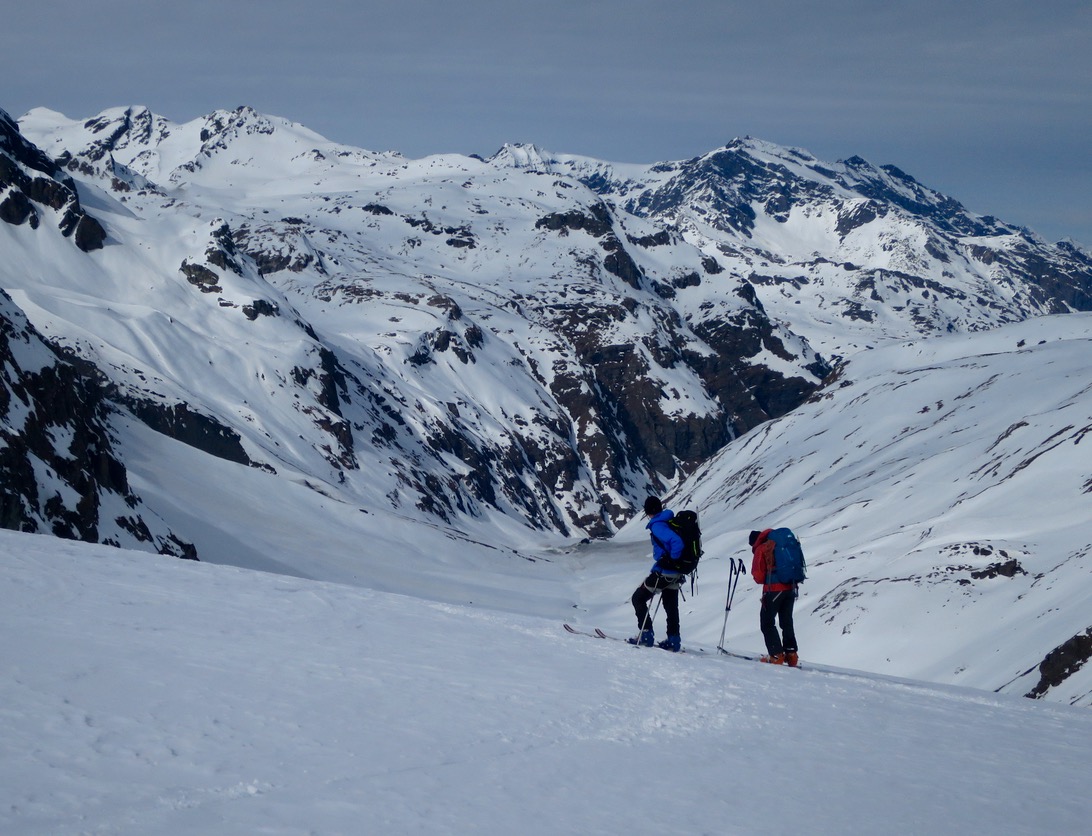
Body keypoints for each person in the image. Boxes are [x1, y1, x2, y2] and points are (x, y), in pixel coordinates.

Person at [628, 496, 685, 651]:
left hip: (665, 571)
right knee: (671, 605)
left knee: (638, 598)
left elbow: (676, 542)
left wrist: (671, 560)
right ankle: (674, 640)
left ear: (648, 511)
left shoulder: (658, 525)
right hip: (676, 572)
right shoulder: (668, 520)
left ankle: (646, 634)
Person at [749, 529, 799, 666]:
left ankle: (776, 655)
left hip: (774, 589)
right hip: (791, 587)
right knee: (786, 621)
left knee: (767, 622)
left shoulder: (761, 548)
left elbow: (758, 575)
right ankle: (791, 654)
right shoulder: (779, 543)